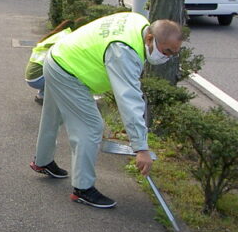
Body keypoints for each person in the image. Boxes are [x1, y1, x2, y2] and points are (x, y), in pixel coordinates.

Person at [30, 12, 184, 209]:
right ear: (150, 38)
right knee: (91, 127)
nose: (168, 57)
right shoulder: (124, 51)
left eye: (174, 53)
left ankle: (42, 161)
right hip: (69, 71)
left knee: (53, 115)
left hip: (59, 57)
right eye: (167, 51)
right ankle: (83, 189)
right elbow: (129, 100)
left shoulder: (139, 22)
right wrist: (141, 147)